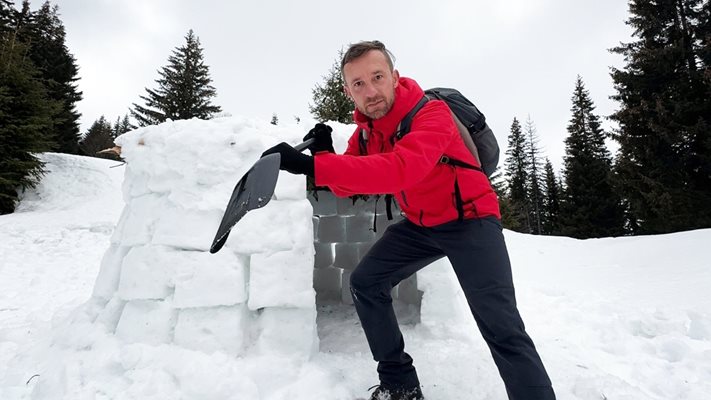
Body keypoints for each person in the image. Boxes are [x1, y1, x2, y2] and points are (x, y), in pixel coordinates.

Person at [262, 40, 555, 400]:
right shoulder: (367, 132)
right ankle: (400, 384)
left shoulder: (431, 114)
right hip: (421, 226)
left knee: (502, 327)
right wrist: (323, 153)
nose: (370, 91)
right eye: (358, 84)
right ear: (348, 92)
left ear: (395, 77)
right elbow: (346, 182)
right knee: (366, 283)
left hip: (471, 220)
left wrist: (311, 165)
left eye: (377, 77)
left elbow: (404, 169)